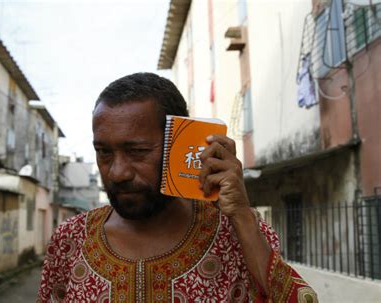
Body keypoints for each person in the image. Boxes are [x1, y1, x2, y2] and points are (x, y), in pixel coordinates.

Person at [37, 73, 318, 302]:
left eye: (137, 151)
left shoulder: (235, 232)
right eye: (104, 152)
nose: (117, 172)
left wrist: (242, 218)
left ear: (178, 145)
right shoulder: (70, 240)